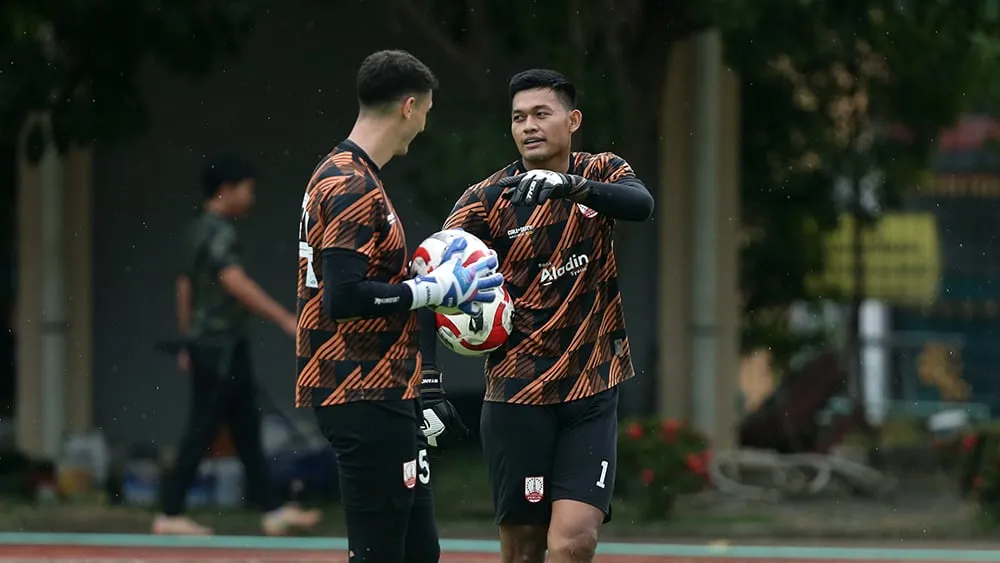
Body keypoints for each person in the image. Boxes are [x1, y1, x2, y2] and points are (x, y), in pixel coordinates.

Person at [420, 68, 654, 563]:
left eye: (541, 114)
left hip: (592, 386)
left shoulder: (602, 171)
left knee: (574, 540)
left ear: (572, 121)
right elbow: (428, 280)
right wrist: (428, 379)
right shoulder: (485, 201)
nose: (529, 125)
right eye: (518, 117)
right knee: (523, 550)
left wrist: (571, 186)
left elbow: (641, 204)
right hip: (517, 394)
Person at [295, 49, 502, 563]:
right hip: (360, 388)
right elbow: (344, 299)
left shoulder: (347, 173)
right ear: (410, 107)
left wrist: (423, 381)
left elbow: (362, 282)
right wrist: (435, 290)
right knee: (380, 553)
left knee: (419, 552)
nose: (425, 124)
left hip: (388, 388)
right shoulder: (350, 184)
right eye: (427, 111)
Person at [154, 154, 322, 536]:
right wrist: (283, 318)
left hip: (215, 344)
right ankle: (170, 511)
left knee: (246, 427)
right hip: (219, 347)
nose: (252, 198)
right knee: (204, 427)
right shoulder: (217, 233)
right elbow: (234, 281)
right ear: (226, 191)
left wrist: (186, 339)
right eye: (248, 190)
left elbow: (184, 287)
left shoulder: (196, 229)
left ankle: (273, 508)